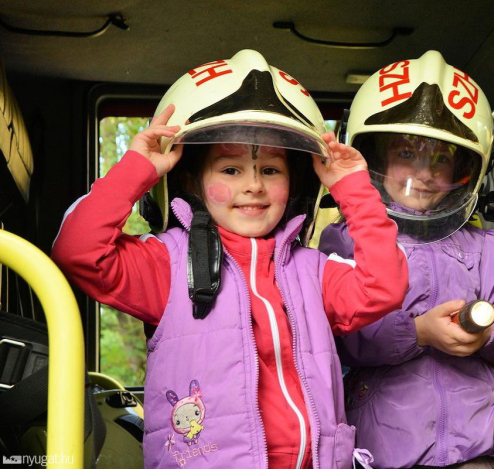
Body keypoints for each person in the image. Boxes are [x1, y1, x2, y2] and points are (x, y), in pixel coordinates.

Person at [51, 49, 407, 469]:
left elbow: (383, 287)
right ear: (193, 182)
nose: (253, 186)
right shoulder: (167, 263)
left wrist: (354, 190)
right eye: (231, 170)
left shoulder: (313, 271)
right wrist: (138, 168)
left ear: (294, 184)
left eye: (271, 171)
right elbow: (78, 251)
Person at [318, 51, 494, 469]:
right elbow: (338, 338)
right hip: (385, 455)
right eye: (406, 154)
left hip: (479, 451)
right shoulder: (345, 241)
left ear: (465, 170)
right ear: (376, 159)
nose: (424, 173)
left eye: (441, 159)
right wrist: (418, 333)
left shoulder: (486, 245)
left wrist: (487, 331)